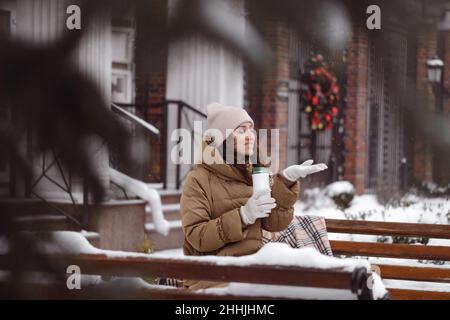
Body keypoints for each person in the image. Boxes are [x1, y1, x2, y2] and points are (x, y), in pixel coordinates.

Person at [180, 102, 328, 290]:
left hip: (253, 269)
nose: (250, 136)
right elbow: (196, 236)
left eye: (251, 129)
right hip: (215, 275)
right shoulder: (198, 179)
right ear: (223, 139)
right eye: (241, 131)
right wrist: (242, 216)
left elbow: (274, 224)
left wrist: (285, 181)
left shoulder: (255, 172)